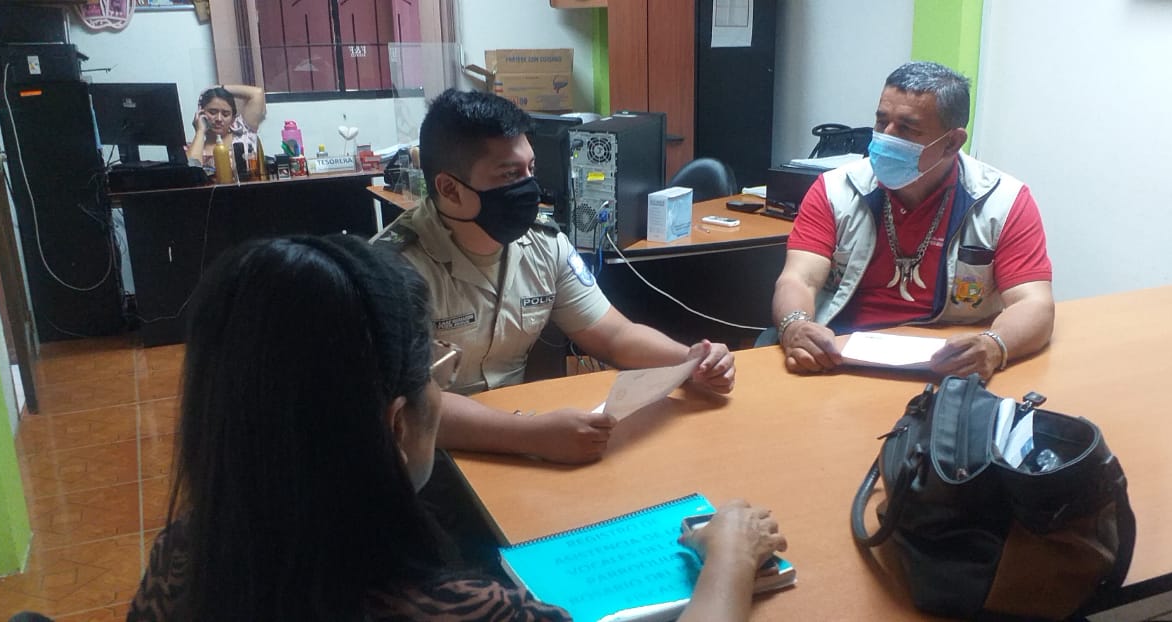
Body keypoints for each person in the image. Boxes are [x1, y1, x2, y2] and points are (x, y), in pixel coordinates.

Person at [125, 234, 787, 621]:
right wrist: (729, 556)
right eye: (435, 375)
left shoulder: (181, 559)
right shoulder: (456, 609)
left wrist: (687, 361)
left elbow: (611, 330)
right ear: (396, 424)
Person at [374, 89, 736, 465]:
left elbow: (614, 335)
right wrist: (531, 435)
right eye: (509, 174)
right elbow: (411, 406)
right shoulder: (392, 271)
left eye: (530, 169)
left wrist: (690, 362)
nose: (529, 187)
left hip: (520, 437)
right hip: (430, 456)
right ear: (449, 188)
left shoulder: (544, 244)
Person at [772, 61, 1054, 381]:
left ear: (951, 142)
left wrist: (994, 345)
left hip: (952, 365)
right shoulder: (835, 189)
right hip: (839, 356)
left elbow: (1034, 303)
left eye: (907, 128)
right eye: (881, 122)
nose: (885, 137)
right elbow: (798, 279)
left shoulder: (1004, 201)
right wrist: (795, 325)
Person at [185, 84, 266, 170]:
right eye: (212, 112)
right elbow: (190, 171)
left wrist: (220, 88)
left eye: (225, 114)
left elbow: (257, 93)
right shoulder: (193, 148)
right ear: (201, 113)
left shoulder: (242, 132)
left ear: (232, 118)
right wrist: (200, 131)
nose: (219, 119)